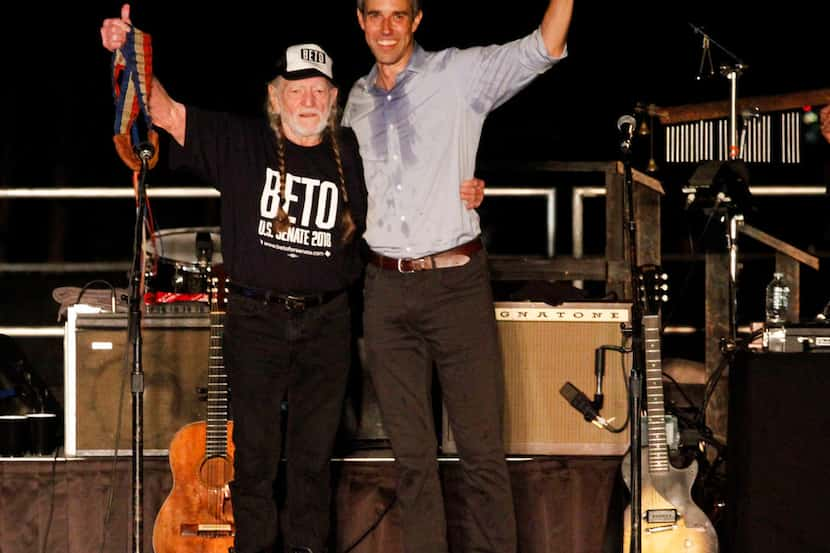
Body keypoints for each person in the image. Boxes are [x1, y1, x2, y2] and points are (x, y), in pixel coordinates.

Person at [101, 6, 484, 553]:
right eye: (295, 88)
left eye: (319, 90)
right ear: (274, 96)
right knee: (253, 463)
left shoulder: (355, 152)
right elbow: (161, 111)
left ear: (333, 100)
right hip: (255, 322)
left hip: (329, 323)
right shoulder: (238, 142)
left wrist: (468, 188)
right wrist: (128, 52)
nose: (308, 100)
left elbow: (419, 181)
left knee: (312, 463)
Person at [342, 1, 573, 552]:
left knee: (482, 451)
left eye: (398, 15)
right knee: (413, 460)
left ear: (417, 19)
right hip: (385, 290)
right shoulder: (351, 100)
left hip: (456, 285)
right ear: (360, 20)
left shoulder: (457, 74)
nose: (386, 27)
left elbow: (541, 47)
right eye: (375, 15)